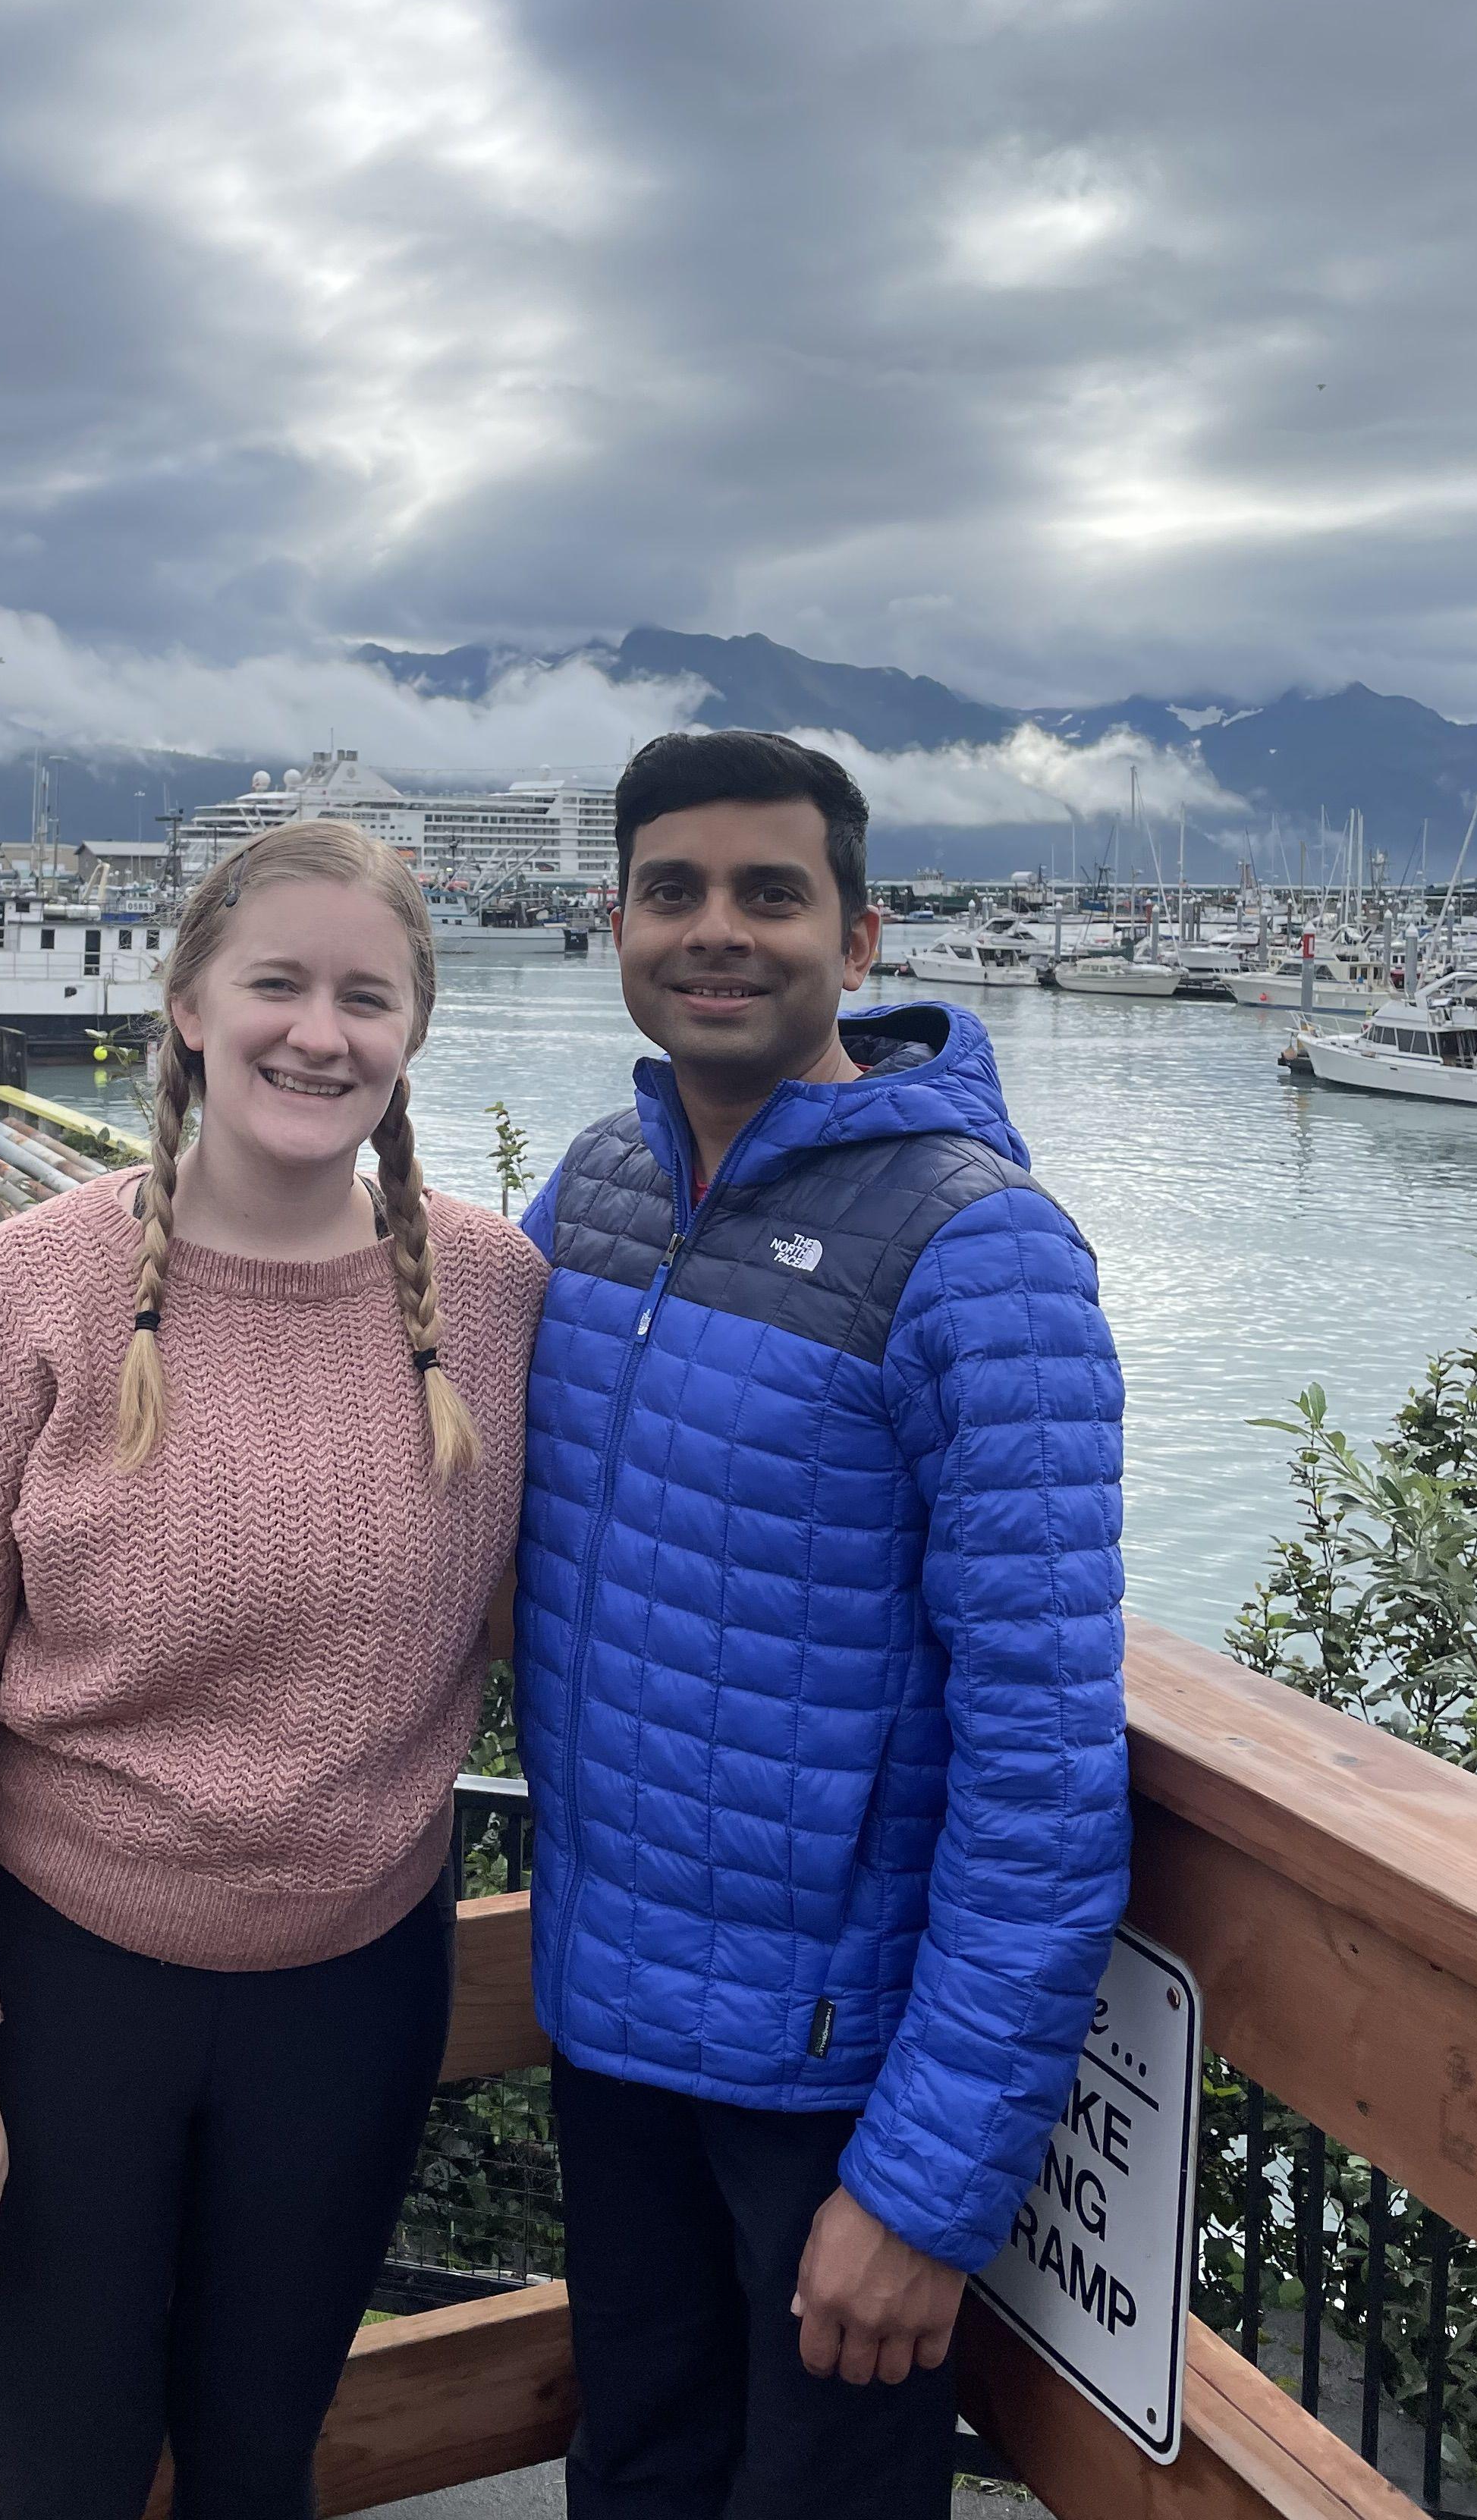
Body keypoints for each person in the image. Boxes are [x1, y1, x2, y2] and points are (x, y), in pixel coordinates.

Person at [0, 818, 547, 2520]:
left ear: (414, 1031)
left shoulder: (499, 1297)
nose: (319, 1033)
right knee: (68, 2484)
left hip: (358, 1990)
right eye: (277, 984)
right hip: (67, 1996)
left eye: (366, 997)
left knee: (262, 2468)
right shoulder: (23, 1295)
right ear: (187, 1006)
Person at [515, 729, 1130, 2519]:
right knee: (632, 2480)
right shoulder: (599, 1190)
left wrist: (926, 2189)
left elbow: (1043, 1767)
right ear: (616, 926)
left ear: (859, 939)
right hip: (614, 2033)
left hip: (833, 2088)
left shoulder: (983, 1254)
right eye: (673, 891)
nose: (718, 930)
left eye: (770, 894)